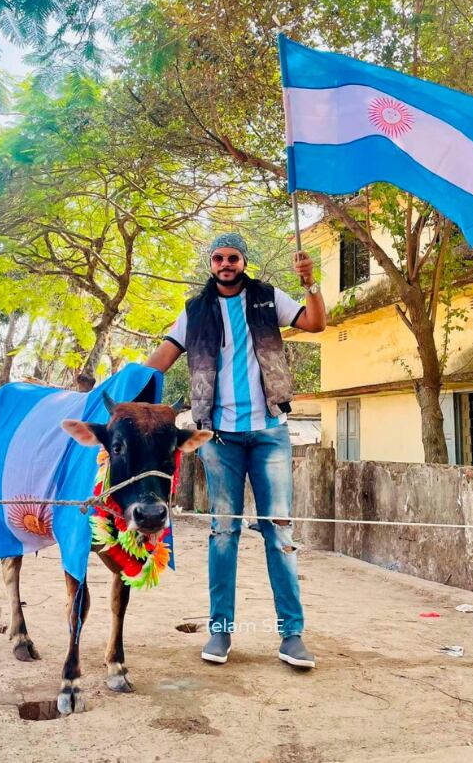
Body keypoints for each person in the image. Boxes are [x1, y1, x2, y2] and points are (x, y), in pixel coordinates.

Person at [146, 232, 326, 669]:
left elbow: (316, 324)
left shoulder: (268, 298)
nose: (226, 264)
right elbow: (160, 361)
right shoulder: (194, 310)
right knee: (223, 535)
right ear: (211, 264)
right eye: (219, 258)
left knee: (279, 532)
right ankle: (221, 633)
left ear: (244, 261)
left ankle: (292, 636)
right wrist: (118, 392)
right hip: (219, 438)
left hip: (270, 433)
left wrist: (311, 284)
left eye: (233, 257)